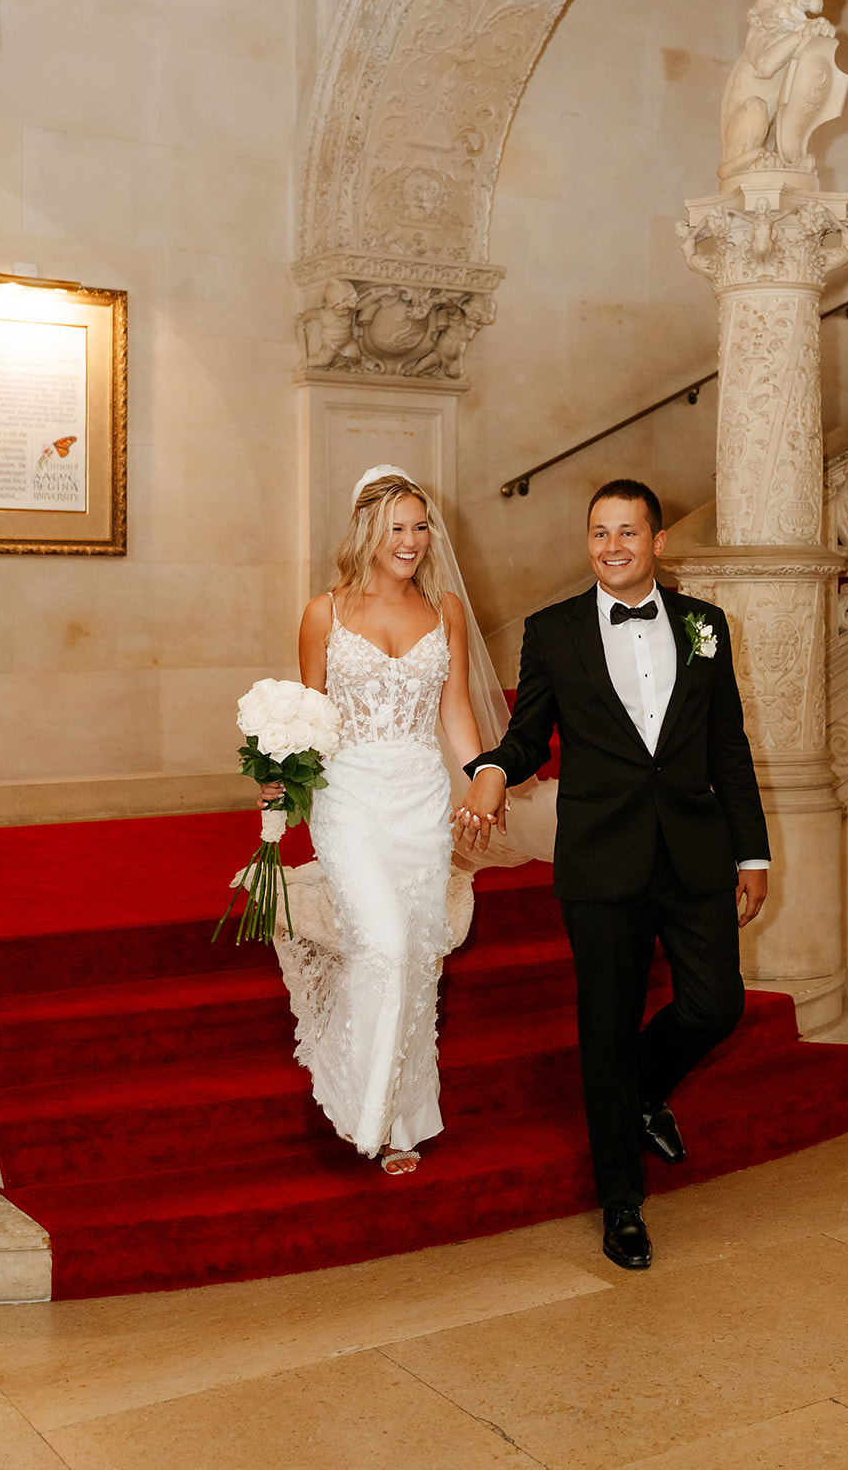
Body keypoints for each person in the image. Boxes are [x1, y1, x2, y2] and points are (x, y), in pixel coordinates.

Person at [454, 478, 770, 1268]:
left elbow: (726, 745)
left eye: (627, 532)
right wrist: (492, 768)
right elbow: (527, 736)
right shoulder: (554, 631)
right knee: (604, 1027)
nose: (612, 547)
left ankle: (637, 1095)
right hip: (601, 857)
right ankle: (621, 1202)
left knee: (714, 1004)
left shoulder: (705, 627)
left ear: (656, 543)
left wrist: (751, 852)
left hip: (694, 851)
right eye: (599, 533)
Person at [261, 468, 495, 1176]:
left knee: (417, 954)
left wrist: (486, 770)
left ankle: (401, 1118)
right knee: (386, 943)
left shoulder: (445, 608)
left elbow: (454, 709)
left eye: (420, 526)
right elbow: (312, 714)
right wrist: (279, 776)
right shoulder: (323, 613)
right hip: (350, 799)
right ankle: (358, 1095)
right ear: (367, 528)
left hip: (421, 799)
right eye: (397, 526)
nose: (412, 541)